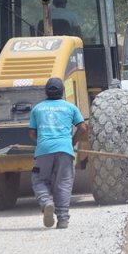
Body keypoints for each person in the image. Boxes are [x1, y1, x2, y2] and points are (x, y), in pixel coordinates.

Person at [29, 78, 87, 229]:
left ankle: (47, 202)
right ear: (63, 91)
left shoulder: (37, 109)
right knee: (64, 183)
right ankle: (62, 219)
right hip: (65, 150)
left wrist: (43, 142)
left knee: (39, 180)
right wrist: (72, 143)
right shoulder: (70, 107)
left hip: (43, 150)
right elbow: (83, 128)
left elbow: (32, 133)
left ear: (46, 91)